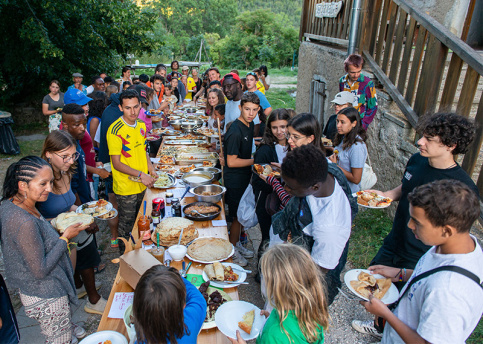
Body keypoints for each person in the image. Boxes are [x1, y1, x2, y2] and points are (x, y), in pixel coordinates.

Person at [351, 112, 480, 337]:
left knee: (405, 299)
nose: (419, 142)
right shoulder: (417, 160)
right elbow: (406, 186)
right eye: (422, 136)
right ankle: (381, 326)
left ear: (451, 145)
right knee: (379, 287)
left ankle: (387, 324)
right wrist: (387, 195)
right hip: (395, 241)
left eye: (429, 139)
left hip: (419, 251)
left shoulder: (461, 188)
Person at [360, 180, 483, 343]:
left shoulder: (448, 292)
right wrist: (401, 274)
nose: (410, 225)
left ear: (446, 230)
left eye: (417, 222)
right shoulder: (456, 245)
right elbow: (431, 274)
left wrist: (386, 314)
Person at [0, 156, 88, 344]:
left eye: (50, 182)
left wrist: (55, 225)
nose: (49, 189)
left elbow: (31, 237)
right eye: (43, 184)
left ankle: (67, 326)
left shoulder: (11, 203)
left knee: (60, 330)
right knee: (59, 340)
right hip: (47, 296)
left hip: (33, 290)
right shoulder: (24, 222)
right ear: (22, 185)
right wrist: (65, 237)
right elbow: (40, 269)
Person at [270, 145, 358, 305]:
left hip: (306, 277)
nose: (285, 188)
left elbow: (317, 272)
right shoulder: (322, 168)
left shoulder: (329, 229)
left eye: (291, 187)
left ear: (314, 187)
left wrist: (287, 291)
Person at [229, 244, 328, 344]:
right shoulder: (313, 310)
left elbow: (278, 336)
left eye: (264, 276)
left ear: (275, 288)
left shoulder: (272, 334)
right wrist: (271, 318)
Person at [107, 89, 156, 251]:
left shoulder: (141, 125)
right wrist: (141, 174)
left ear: (141, 106)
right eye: (128, 108)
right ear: (121, 108)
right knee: (126, 226)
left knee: (143, 221)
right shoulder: (115, 130)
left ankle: (141, 251)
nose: (133, 111)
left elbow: (143, 150)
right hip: (126, 187)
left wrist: (150, 168)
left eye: (136, 107)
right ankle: (125, 258)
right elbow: (116, 163)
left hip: (143, 184)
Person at [224, 92, 261, 266]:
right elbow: (231, 161)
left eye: (254, 110)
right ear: (240, 108)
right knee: (237, 217)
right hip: (235, 179)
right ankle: (231, 251)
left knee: (242, 214)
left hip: (246, 176)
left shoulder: (250, 124)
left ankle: (237, 243)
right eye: (247, 109)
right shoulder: (235, 130)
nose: (250, 113)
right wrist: (256, 160)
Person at [132, 265, 206, 344]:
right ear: (183, 306)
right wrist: (173, 278)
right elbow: (198, 298)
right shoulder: (190, 321)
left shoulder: (141, 340)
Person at [251, 109, 290, 257]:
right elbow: (257, 181)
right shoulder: (265, 150)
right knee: (268, 238)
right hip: (268, 203)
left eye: (283, 127)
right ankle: (262, 271)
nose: (279, 131)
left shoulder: (294, 146)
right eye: (275, 127)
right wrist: (276, 181)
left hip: (288, 202)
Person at [98, 91, 123, 248]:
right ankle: (122, 237)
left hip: (107, 162)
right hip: (119, 165)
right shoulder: (121, 116)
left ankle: (114, 238)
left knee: (112, 201)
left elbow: (99, 140)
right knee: (119, 202)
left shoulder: (107, 111)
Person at [328, 107, 368, 193]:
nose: (338, 125)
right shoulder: (343, 138)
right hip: (338, 189)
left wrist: (335, 166)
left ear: (354, 123)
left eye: (342, 122)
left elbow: (356, 179)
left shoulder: (356, 147)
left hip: (348, 193)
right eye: (337, 121)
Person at [339, 54, 378, 129]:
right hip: (344, 124)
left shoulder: (367, 83)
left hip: (359, 124)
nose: (356, 75)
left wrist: (363, 125)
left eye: (359, 71)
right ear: (346, 70)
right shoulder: (342, 81)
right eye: (352, 72)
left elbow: (373, 107)